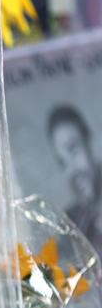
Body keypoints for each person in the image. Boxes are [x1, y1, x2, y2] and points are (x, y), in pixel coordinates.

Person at [48, 105, 102, 248]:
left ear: (92, 145)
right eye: (63, 163)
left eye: (73, 150)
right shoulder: (70, 226)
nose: (71, 170)